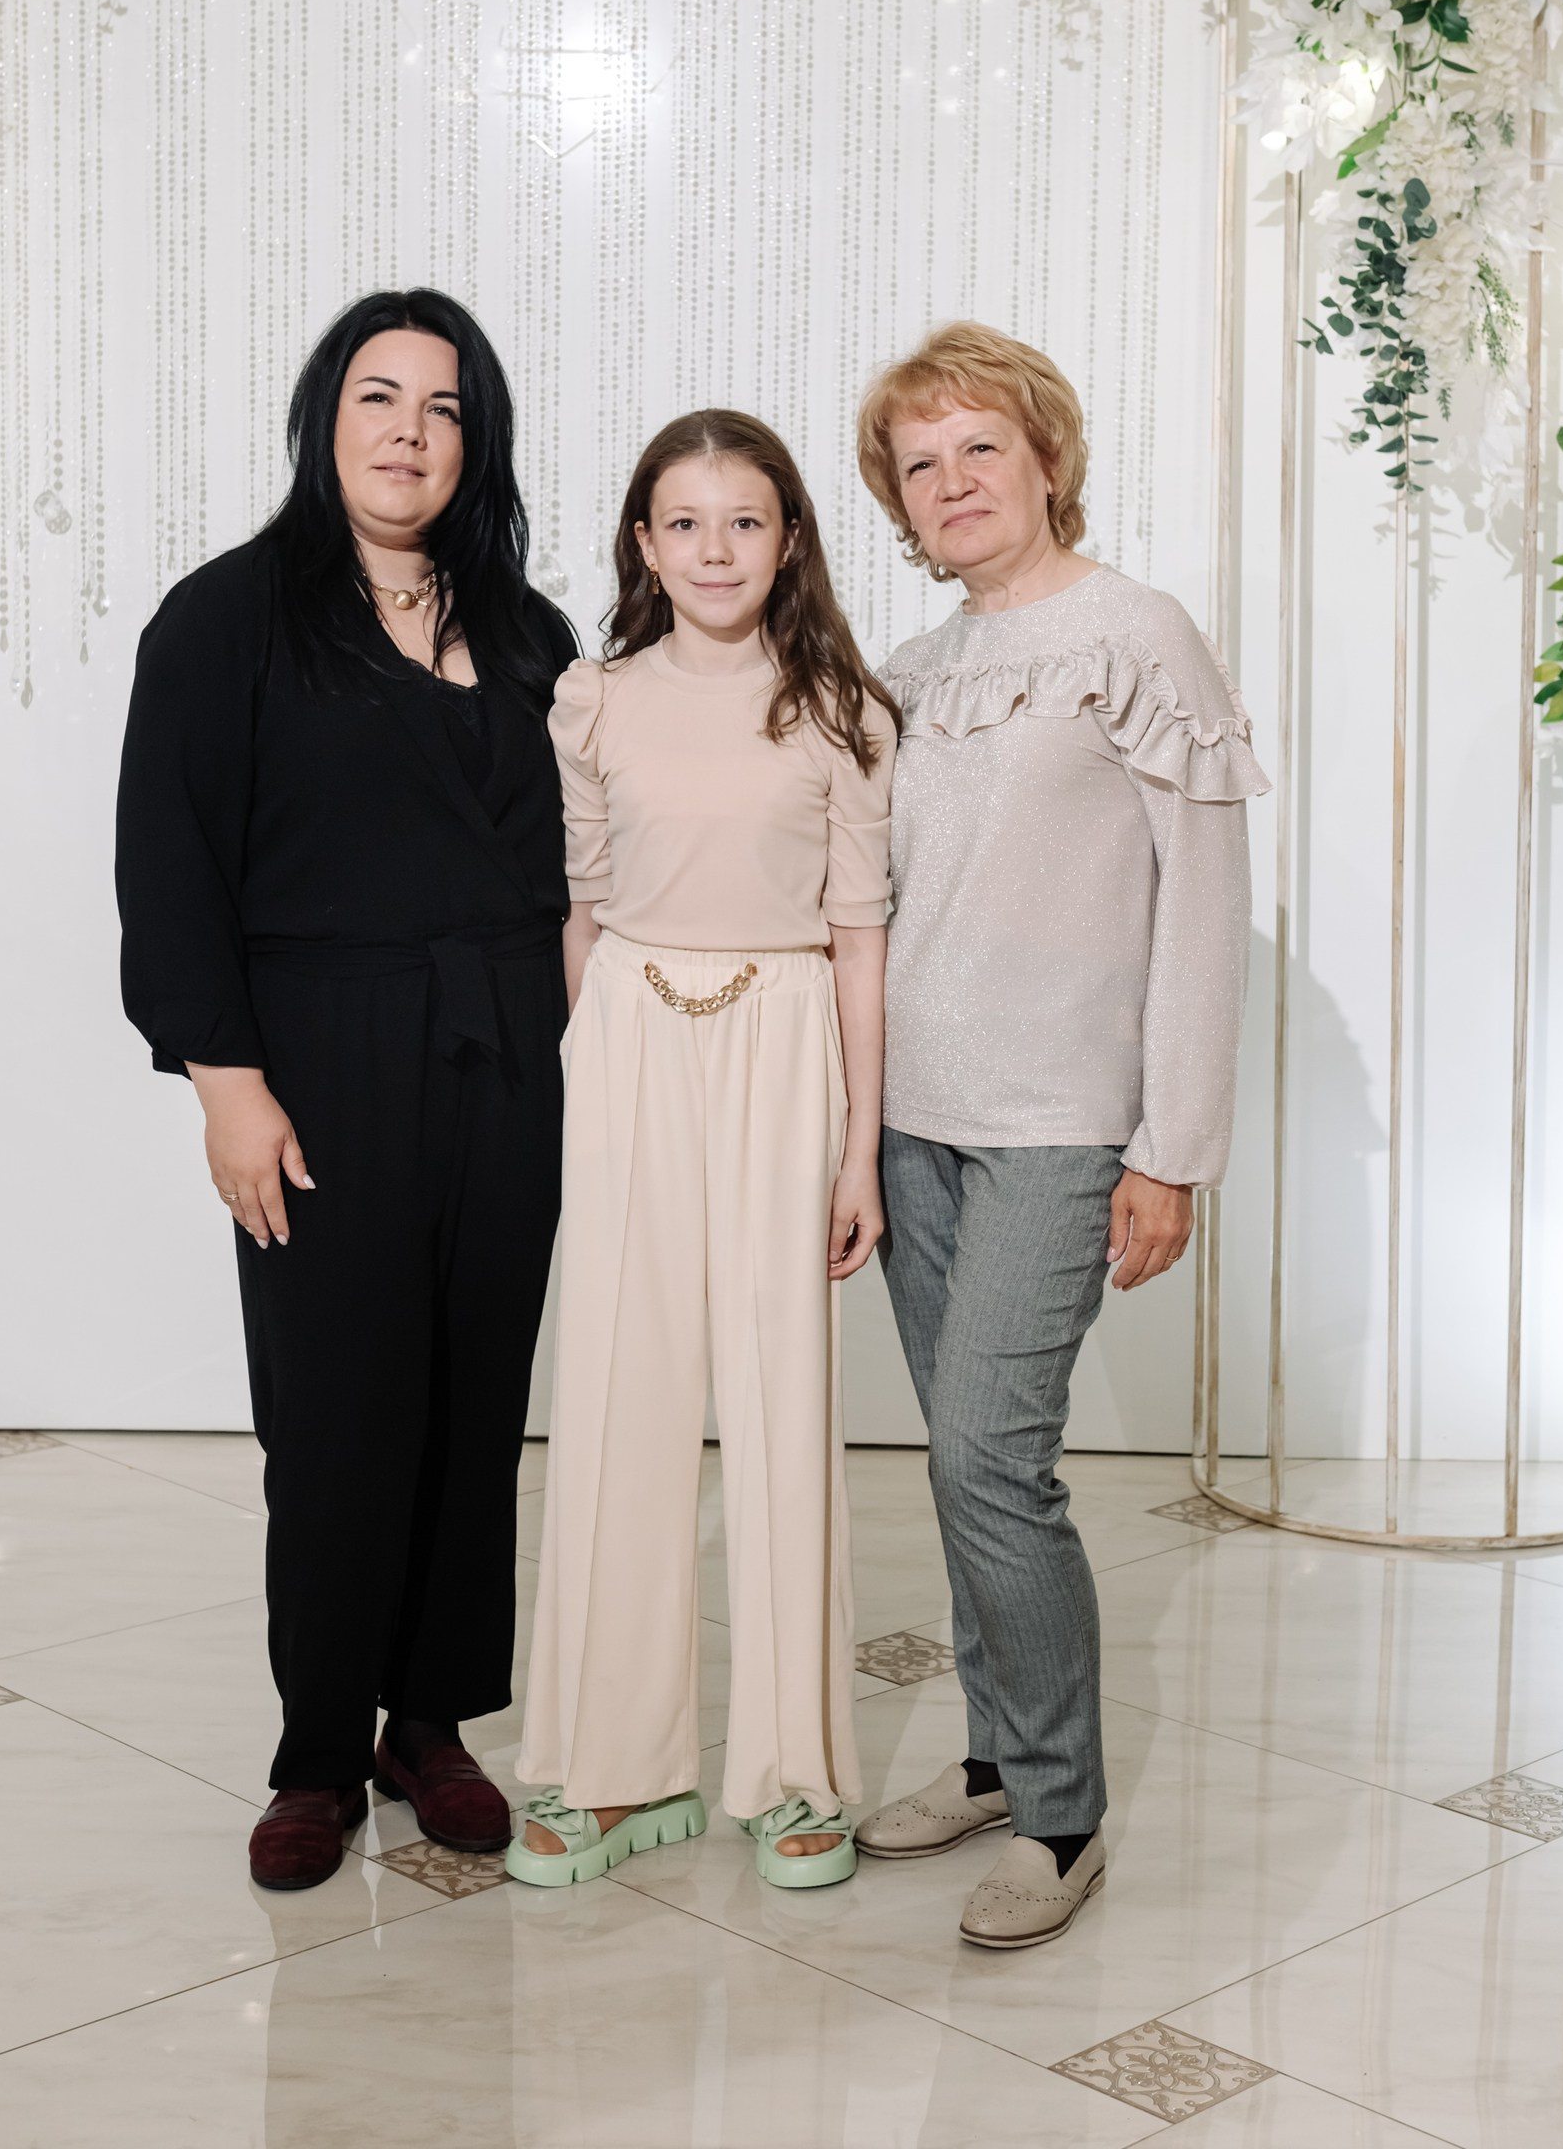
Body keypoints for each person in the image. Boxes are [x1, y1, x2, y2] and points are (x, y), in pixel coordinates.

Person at [115, 288, 575, 1893]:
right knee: (332, 1416)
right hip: (317, 1061)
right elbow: (169, 866)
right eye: (379, 396)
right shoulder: (227, 618)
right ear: (325, 417)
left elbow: (581, 865)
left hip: (507, 1057)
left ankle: (428, 1722)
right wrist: (224, 1084)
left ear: (476, 439)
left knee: (471, 1396)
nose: (408, 431)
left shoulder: (529, 631)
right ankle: (317, 1749)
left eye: (443, 407)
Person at [851, 321, 1267, 1948]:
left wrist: (1175, 1149)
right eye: (920, 461)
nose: (953, 480)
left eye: (981, 447)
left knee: (987, 1457)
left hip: (1058, 1127)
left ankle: (1063, 1815)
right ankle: (993, 1758)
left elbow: (1206, 903)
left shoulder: (1137, 636)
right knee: (966, 1472)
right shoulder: (909, 670)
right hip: (913, 1126)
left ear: (1045, 459)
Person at [506, 411, 896, 1891]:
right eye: (685, 522)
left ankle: (797, 1775)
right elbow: (582, 908)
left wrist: (858, 1152)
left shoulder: (842, 711)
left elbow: (860, 945)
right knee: (619, 1391)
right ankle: (613, 1770)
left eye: (746, 522)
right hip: (628, 1036)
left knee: (783, 1403)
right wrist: (593, 1071)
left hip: (788, 1040)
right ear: (643, 543)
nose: (715, 550)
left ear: (789, 540)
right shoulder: (591, 701)